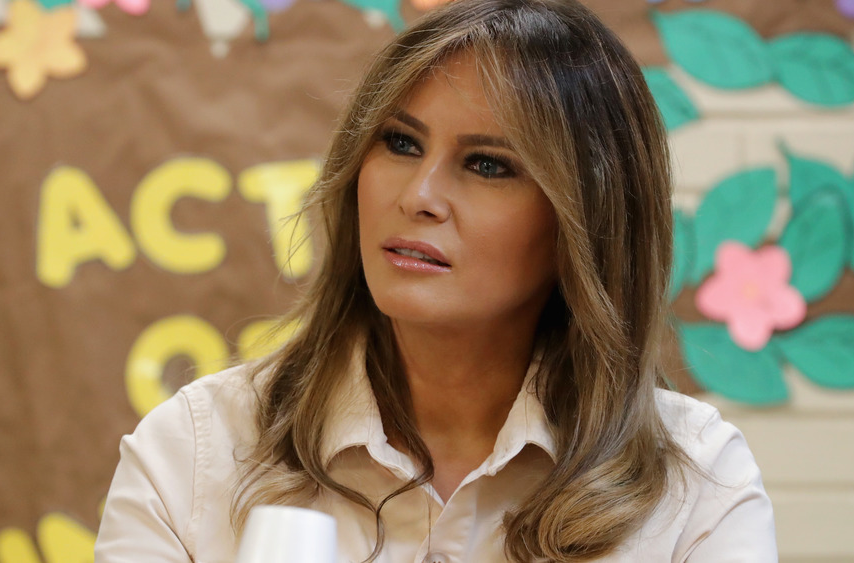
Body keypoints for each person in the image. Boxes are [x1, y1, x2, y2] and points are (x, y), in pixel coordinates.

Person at [95, 0, 777, 561]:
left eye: (486, 165)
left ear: (585, 221)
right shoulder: (192, 451)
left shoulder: (697, 483)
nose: (419, 194)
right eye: (400, 142)